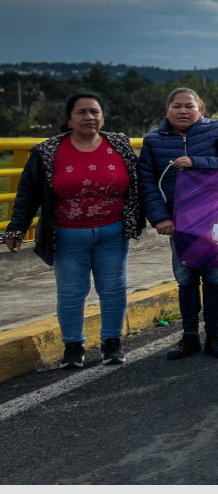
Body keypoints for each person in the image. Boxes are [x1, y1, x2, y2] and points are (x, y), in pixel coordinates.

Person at [4, 93, 144, 369]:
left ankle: (112, 344)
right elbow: (28, 193)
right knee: (71, 291)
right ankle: (73, 346)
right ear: (69, 119)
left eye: (95, 112)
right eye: (81, 112)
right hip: (67, 235)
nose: (89, 117)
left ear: (102, 117)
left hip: (112, 232)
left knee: (114, 289)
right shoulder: (47, 151)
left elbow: (139, 184)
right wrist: (16, 228)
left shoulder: (119, 145)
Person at [139, 88, 218, 360]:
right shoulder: (153, 140)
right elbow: (147, 182)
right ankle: (188, 337)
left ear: (201, 109)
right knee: (185, 279)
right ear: (167, 110)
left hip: (215, 218)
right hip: (178, 222)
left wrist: (195, 162)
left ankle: (215, 335)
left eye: (189, 106)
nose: (183, 111)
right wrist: (160, 217)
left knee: (214, 277)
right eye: (176, 106)